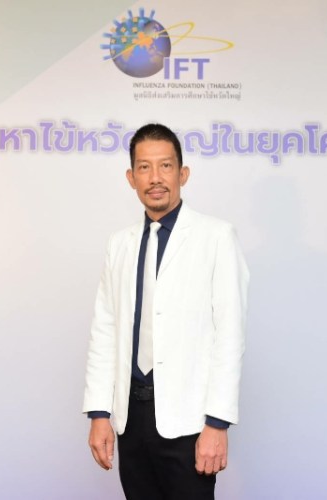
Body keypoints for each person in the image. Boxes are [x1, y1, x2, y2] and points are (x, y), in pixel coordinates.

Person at [83, 123, 249, 499]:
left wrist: (217, 423)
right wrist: (99, 413)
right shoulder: (119, 244)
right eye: (144, 167)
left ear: (182, 174)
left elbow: (230, 335)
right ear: (131, 178)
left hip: (190, 421)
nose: (155, 178)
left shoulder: (216, 237)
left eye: (165, 166)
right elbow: (104, 332)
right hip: (131, 419)